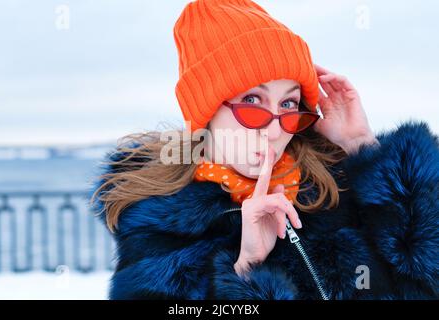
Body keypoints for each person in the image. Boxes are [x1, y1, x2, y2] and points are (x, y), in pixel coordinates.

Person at [91, 0, 438, 300]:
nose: (274, 129)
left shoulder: (336, 189)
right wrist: (247, 270)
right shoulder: (162, 227)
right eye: (252, 101)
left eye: (289, 104)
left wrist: (362, 144)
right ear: (207, 112)